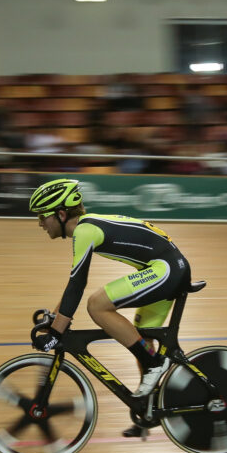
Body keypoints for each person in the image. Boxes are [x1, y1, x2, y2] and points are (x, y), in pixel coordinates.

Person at [28, 178, 191, 437]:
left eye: (42, 216)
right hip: (165, 267)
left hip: (165, 270)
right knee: (143, 341)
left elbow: (77, 285)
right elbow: (75, 281)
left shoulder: (84, 230)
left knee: (97, 305)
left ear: (60, 214)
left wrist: (57, 332)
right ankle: (148, 411)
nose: (40, 223)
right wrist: (55, 317)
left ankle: (153, 366)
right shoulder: (86, 227)